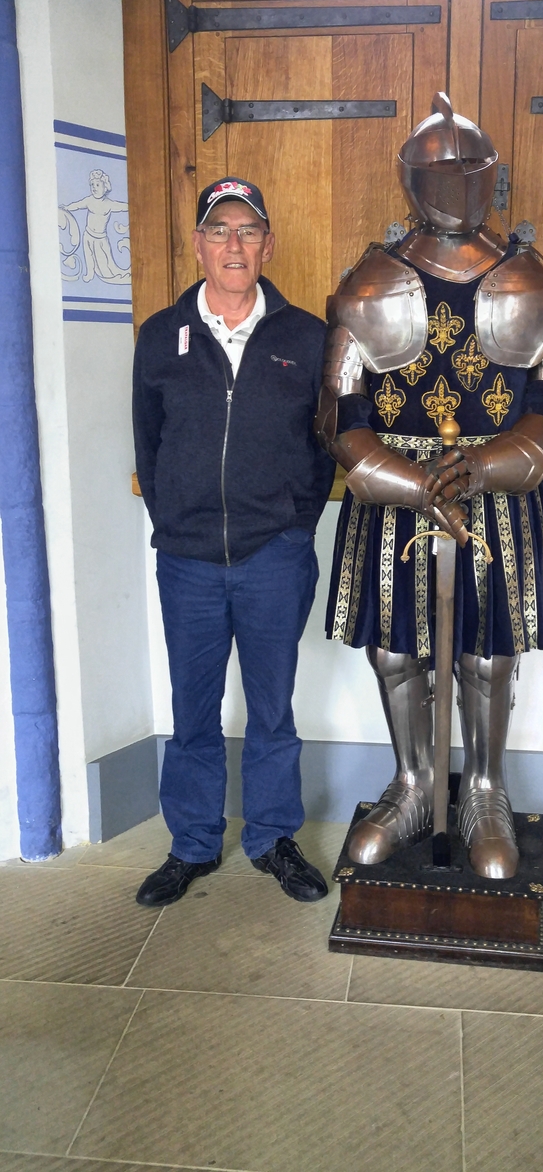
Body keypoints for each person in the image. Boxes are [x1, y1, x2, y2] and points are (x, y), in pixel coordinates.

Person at [316, 94, 543, 880]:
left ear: (492, 177)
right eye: (440, 169)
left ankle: (487, 790)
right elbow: (340, 418)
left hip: (496, 498)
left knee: (486, 656)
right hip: (395, 501)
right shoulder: (366, 284)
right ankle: (413, 781)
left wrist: (485, 464)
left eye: (470, 168)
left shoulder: (537, 282)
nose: (456, 183)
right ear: (411, 179)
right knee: (398, 652)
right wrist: (403, 478)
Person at [133, 177, 335, 906]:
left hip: (272, 555)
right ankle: (191, 844)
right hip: (186, 560)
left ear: (267, 245)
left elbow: (323, 449)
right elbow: (148, 445)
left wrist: (291, 525)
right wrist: (177, 519)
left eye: (248, 231)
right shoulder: (161, 335)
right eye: (219, 230)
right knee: (194, 712)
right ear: (198, 245)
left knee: (272, 707)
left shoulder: (307, 337)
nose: (233, 245)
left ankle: (273, 837)